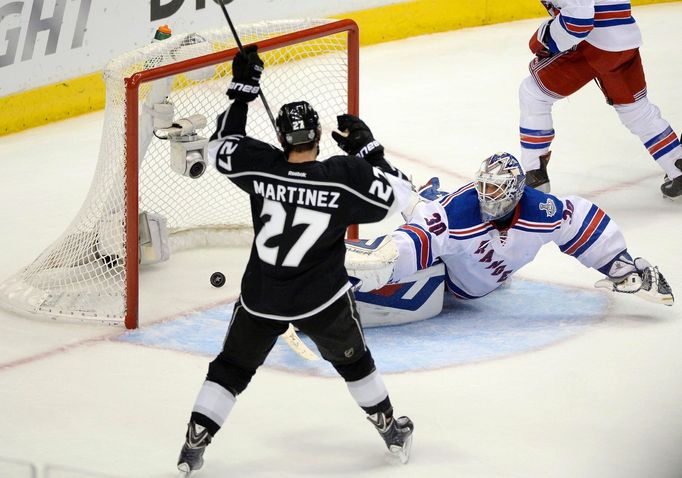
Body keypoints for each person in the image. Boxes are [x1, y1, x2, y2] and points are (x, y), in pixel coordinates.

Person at [176, 45, 416, 475]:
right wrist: (369, 151)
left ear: (282, 138)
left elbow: (220, 146)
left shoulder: (260, 166)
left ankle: (194, 443)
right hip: (321, 300)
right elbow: (404, 195)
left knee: (231, 368)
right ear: (318, 138)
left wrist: (242, 91)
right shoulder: (343, 177)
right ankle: (389, 430)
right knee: (354, 362)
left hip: (261, 297)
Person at [346, 152, 674, 309]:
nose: (487, 198)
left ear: (516, 193)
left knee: (426, 205)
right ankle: (393, 173)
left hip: (483, 279)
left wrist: (621, 266)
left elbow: (581, 221)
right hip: (447, 276)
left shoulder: (540, 211)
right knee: (418, 208)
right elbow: (417, 239)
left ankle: (426, 191)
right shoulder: (458, 214)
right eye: (484, 189)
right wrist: (375, 267)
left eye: (496, 192)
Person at [519, 0, 682, 199]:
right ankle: (677, 165)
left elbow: (579, 20)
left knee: (533, 93)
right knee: (636, 110)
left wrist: (546, 39)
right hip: (625, 39)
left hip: (595, 44)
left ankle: (534, 177)